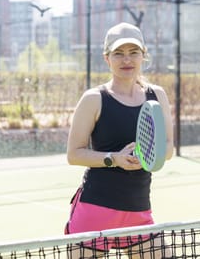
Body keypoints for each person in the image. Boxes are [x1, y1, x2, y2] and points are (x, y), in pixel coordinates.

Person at [65, 22, 174, 258]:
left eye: (133, 52)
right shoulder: (94, 99)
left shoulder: (157, 95)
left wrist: (147, 156)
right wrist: (115, 159)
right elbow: (74, 154)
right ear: (107, 59)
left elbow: (167, 149)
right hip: (95, 209)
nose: (127, 60)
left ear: (143, 56)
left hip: (138, 210)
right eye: (118, 53)